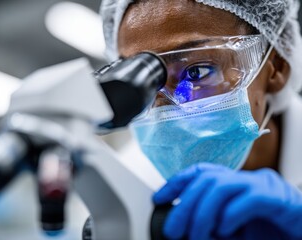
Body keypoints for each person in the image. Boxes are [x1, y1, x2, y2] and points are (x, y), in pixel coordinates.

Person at [100, 0, 302, 239]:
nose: (163, 108)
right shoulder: (123, 189)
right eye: (144, 85)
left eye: (196, 72)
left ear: (276, 67)